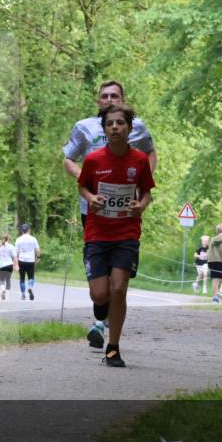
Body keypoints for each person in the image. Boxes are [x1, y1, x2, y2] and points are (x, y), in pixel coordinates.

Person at [63, 80, 158, 342]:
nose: (109, 100)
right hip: (92, 207)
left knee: (118, 282)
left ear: (123, 100)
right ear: (98, 101)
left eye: (115, 96)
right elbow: (68, 159)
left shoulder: (135, 126)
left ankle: (101, 324)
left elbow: (150, 154)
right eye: (104, 96)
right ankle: (101, 310)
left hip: (125, 210)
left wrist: (141, 182)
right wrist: (87, 182)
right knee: (100, 280)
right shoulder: (84, 127)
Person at [78, 102, 155, 368]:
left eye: (120, 123)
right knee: (100, 295)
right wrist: (91, 198)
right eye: (110, 124)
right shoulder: (93, 160)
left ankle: (113, 348)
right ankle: (102, 310)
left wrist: (141, 205)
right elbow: (83, 188)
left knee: (119, 288)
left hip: (126, 232)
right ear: (104, 129)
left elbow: (146, 192)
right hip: (98, 233)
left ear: (129, 128)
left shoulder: (140, 160)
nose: (115, 127)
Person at [14, 223, 41, 300]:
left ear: (22, 230)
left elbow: (16, 252)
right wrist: (38, 257)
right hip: (30, 261)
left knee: (22, 278)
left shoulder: (18, 240)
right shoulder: (33, 239)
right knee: (31, 276)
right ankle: (30, 287)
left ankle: (23, 294)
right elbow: (37, 250)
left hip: (21, 260)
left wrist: (15, 263)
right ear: (29, 230)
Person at [0, 234, 17, 300]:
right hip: (9, 265)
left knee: (2, 280)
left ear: (2, 239)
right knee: (8, 280)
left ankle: (2, 290)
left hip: (1, 265)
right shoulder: (11, 247)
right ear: (8, 239)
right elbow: (15, 256)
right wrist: (15, 265)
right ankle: (7, 296)